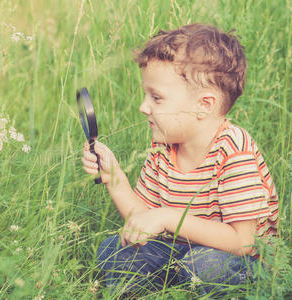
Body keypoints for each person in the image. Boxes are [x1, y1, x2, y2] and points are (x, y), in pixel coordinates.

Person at [81, 24, 278, 295]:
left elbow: (244, 242)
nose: (143, 107)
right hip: (178, 253)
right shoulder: (163, 146)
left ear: (204, 105)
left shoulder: (233, 149)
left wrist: (167, 218)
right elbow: (142, 220)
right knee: (115, 250)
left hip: (235, 261)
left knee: (205, 265)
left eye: (157, 98)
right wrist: (113, 177)